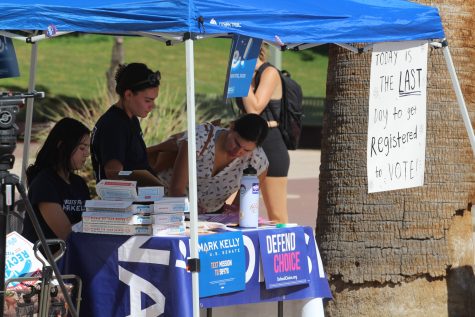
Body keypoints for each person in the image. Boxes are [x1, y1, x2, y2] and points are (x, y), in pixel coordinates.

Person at [156, 114, 269, 214]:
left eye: (247, 150)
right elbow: (176, 189)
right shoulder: (201, 137)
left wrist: (231, 213)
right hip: (164, 208)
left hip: (209, 219)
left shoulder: (258, 160)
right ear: (231, 127)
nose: (237, 152)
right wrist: (189, 209)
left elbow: (239, 208)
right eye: (236, 143)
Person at [236, 45, 290, 223]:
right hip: (244, 144)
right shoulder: (242, 72)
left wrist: (242, 75)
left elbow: (254, 108)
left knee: (276, 214)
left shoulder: (269, 72)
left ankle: (285, 249)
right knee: (234, 210)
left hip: (270, 143)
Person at [22, 118, 91, 253]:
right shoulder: (44, 183)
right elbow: (65, 234)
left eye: (88, 148)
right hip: (47, 263)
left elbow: (89, 221)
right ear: (62, 146)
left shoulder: (79, 183)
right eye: (82, 148)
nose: (87, 154)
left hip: (73, 255)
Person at [91, 62, 161, 183]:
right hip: (123, 201)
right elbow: (114, 173)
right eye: (148, 100)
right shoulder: (114, 125)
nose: (152, 106)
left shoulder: (130, 119)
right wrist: (153, 183)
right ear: (128, 94)